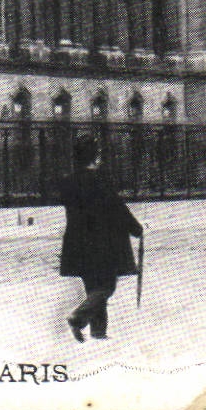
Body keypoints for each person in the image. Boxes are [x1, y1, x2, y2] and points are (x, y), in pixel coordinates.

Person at [60, 135, 142, 341]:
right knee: (107, 286)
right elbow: (117, 208)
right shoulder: (100, 180)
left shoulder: (69, 181)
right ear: (93, 156)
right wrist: (136, 228)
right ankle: (78, 318)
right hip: (102, 243)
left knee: (93, 287)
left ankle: (98, 332)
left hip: (78, 243)